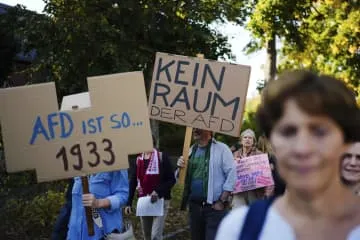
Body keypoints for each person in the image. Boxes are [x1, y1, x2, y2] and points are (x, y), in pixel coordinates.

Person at [216, 70, 360, 239]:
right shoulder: (238, 228)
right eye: (288, 132)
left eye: (320, 132)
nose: (302, 148)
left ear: (347, 142)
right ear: (271, 142)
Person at [177, 128, 235, 240]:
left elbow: (232, 175)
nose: (194, 129)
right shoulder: (190, 150)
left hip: (214, 208)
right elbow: (180, 178)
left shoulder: (222, 149)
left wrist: (221, 201)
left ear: (209, 129)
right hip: (195, 207)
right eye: (193, 127)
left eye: (197, 127)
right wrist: (180, 168)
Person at [125, 135, 176, 240]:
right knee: (147, 236)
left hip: (161, 200)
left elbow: (172, 180)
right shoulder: (138, 160)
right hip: (144, 201)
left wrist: (158, 192)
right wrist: (129, 202)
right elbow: (133, 181)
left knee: (155, 236)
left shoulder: (162, 157)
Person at [67, 170, 129, 239]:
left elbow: (123, 195)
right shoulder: (78, 167)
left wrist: (99, 202)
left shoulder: (115, 165)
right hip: (75, 234)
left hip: (104, 234)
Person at [231, 129, 265, 208]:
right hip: (238, 193)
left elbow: (265, 176)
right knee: (238, 216)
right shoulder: (234, 155)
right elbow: (228, 173)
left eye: (250, 138)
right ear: (241, 141)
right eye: (245, 137)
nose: (247, 139)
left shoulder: (259, 155)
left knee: (254, 216)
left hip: (254, 193)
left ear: (254, 141)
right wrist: (233, 164)